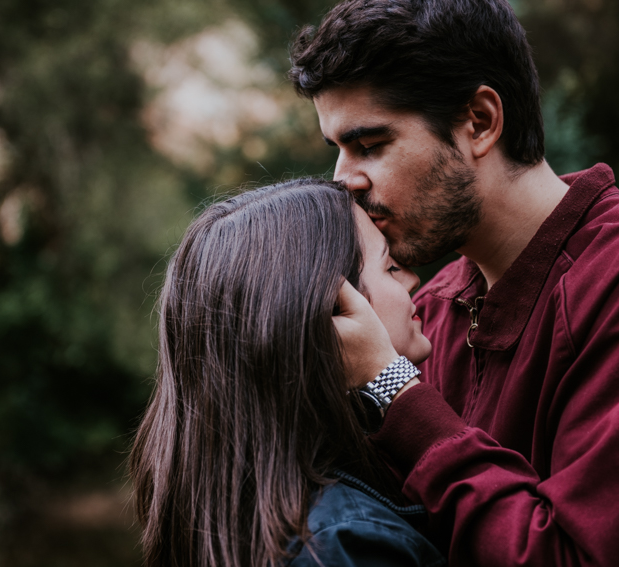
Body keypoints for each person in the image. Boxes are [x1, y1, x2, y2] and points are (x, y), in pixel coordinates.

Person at [288, 0, 619, 565]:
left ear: (479, 121)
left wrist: (396, 391)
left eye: (371, 145)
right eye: (338, 151)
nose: (344, 180)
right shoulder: (428, 310)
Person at [129, 179, 445, 567]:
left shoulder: (243, 507)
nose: (414, 279)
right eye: (391, 266)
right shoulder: (343, 544)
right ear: (334, 311)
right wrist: (393, 381)